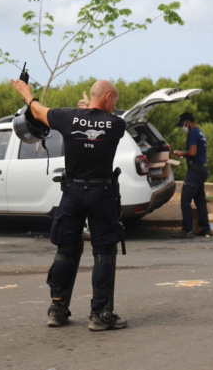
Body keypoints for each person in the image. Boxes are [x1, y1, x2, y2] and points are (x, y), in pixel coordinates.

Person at [15, 78, 128, 332]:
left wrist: (26, 92)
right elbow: (97, 118)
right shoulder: (116, 124)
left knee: (66, 248)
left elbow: (36, 110)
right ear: (109, 98)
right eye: (115, 100)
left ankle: (57, 309)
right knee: (103, 251)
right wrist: (91, 107)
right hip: (101, 192)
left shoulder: (68, 117)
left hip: (73, 191)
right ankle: (100, 314)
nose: (115, 104)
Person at [172, 112, 210, 238]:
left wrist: (180, 153)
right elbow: (203, 154)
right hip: (202, 169)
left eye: (182, 124)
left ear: (187, 122)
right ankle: (205, 228)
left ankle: (187, 229)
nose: (182, 127)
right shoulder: (200, 133)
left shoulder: (192, 134)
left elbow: (192, 152)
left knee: (185, 199)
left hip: (195, 170)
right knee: (200, 199)